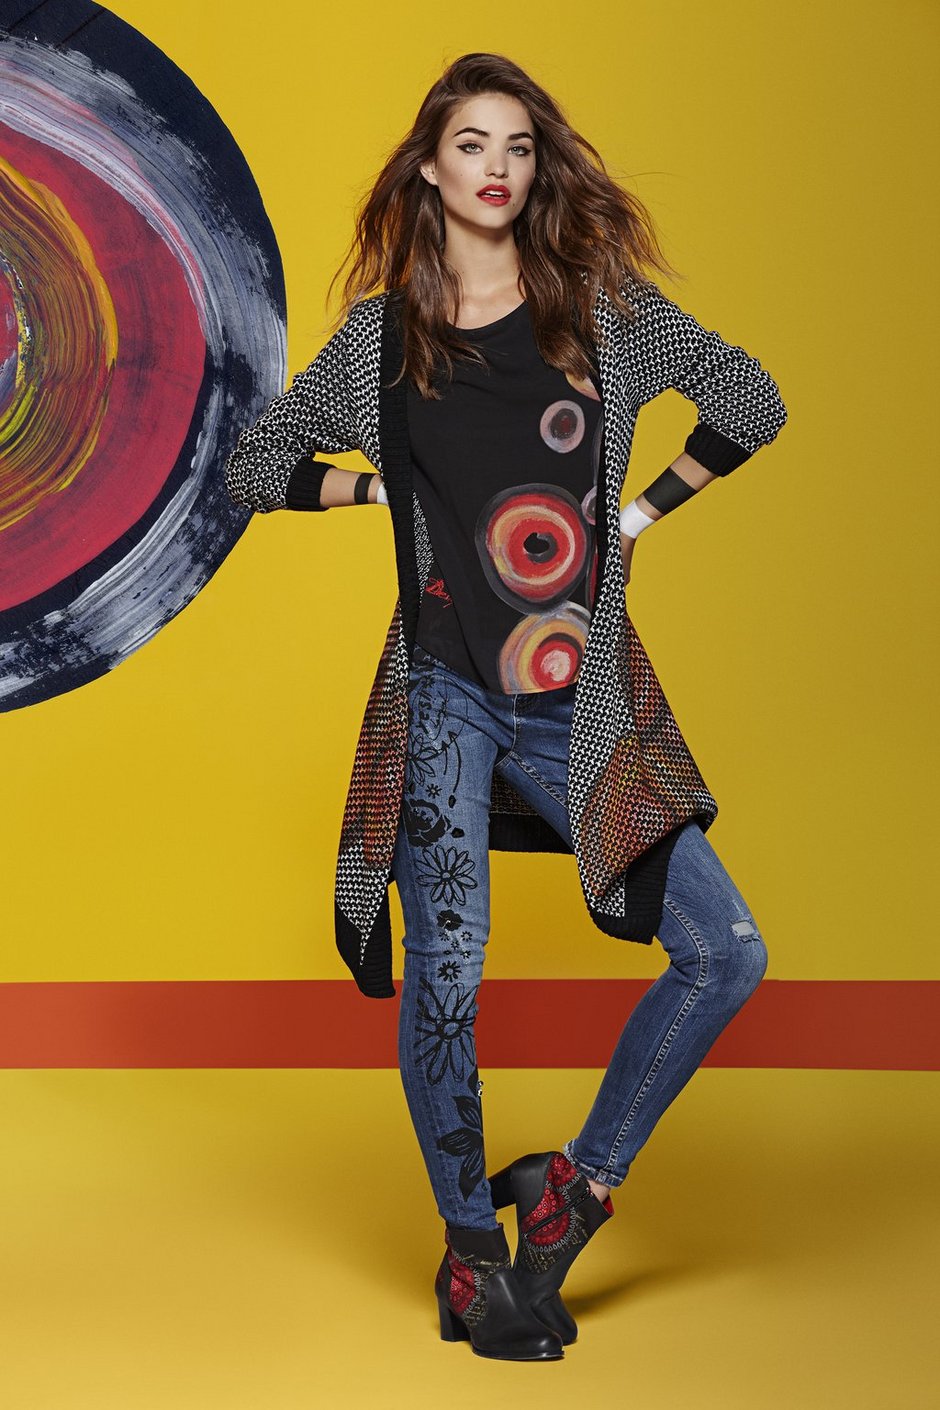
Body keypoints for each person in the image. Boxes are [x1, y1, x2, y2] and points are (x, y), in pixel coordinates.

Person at [224, 52, 787, 1363]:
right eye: (472, 143)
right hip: (444, 698)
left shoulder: (601, 312)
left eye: (519, 147)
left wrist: (637, 516)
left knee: (726, 951)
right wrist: (372, 492)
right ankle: (473, 1256)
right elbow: (255, 462)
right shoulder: (384, 341)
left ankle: (570, 1194)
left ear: (538, 171)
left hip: (581, 705)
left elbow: (751, 401)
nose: (497, 167)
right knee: (447, 982)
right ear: (431, 168)